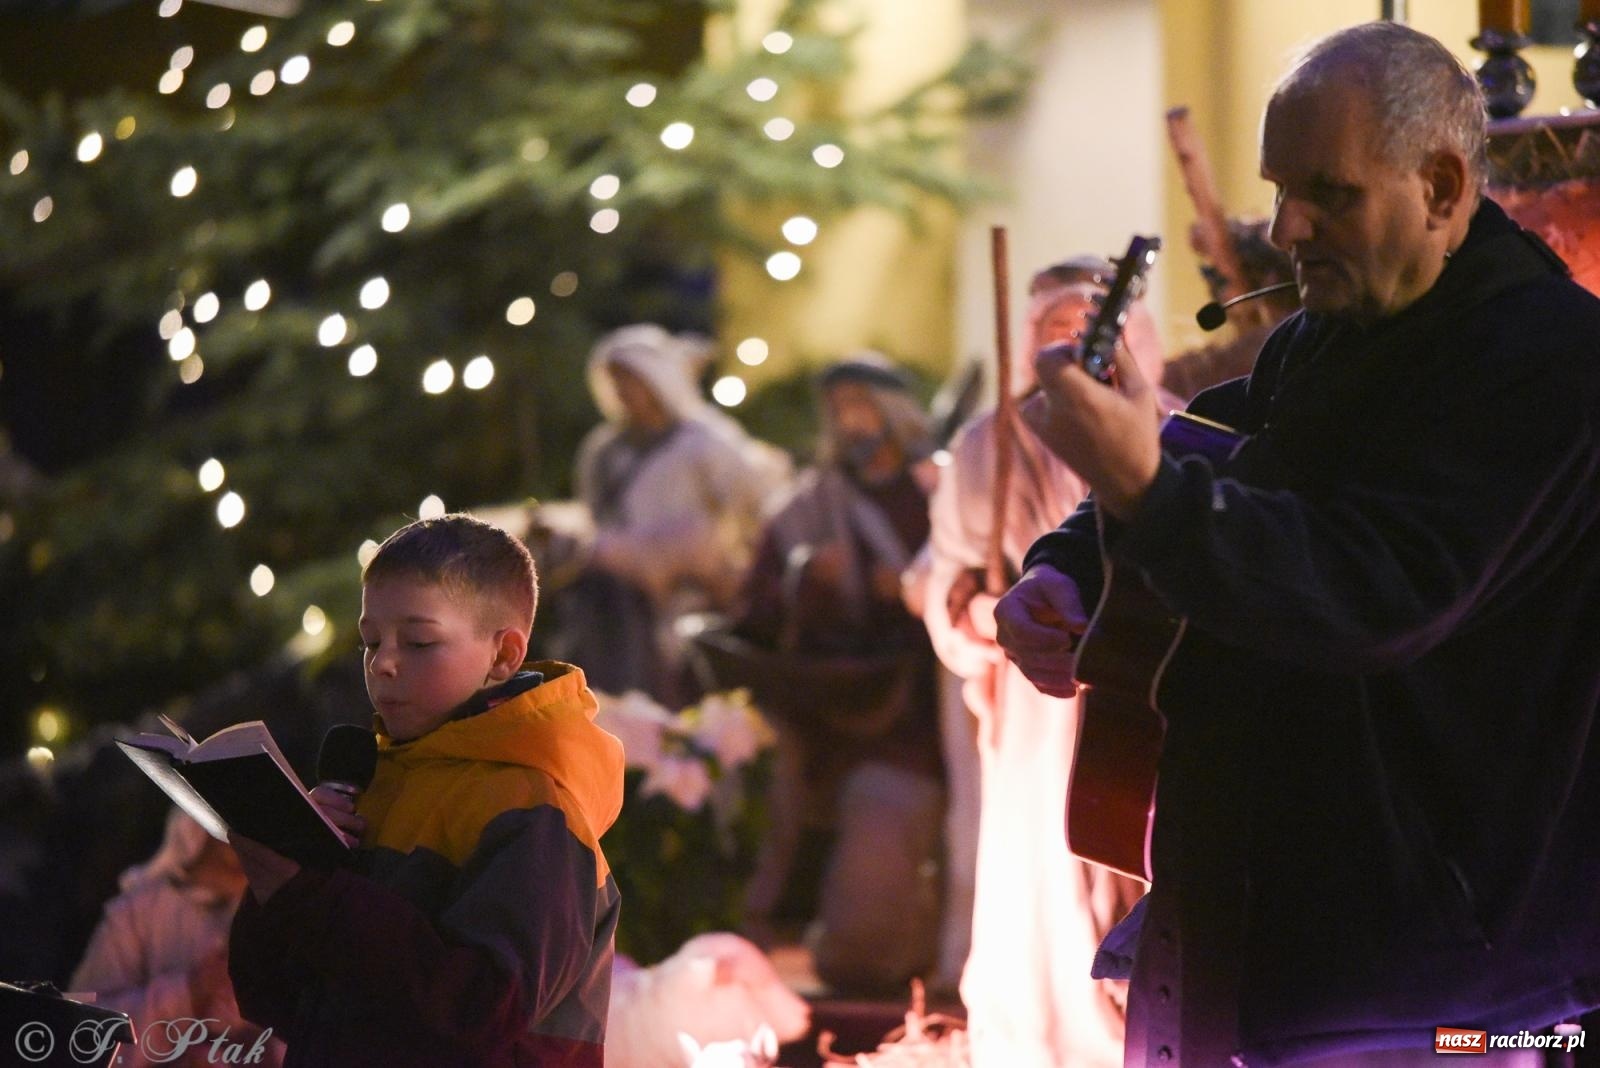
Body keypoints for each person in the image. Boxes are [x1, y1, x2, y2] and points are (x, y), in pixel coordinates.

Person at [996, 21, 1600, 1066]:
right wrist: (1068, 568)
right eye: (1279, 188)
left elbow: (1377, 592)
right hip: (1273, 931)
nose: (1286, 227)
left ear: (1445, 186)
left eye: (1328, 193)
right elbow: (1210, 459)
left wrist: (1139, 487)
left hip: (1445, 982)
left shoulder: (1549, 364)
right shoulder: (1330, 338)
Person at [228, 514, 625, 1067]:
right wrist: (279, 878)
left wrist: (313, 898)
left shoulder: (534, 808)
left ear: (504, 656)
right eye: (371, 642)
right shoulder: (377, 779)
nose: (383, 663)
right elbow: (279, 1002)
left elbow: (476, 1011)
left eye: (418, 642)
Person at [923, 263, 1163, 1066]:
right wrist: (969, 612)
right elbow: (945, 568)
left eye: (1083, 329)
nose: (1069, 346)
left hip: (1132, 687)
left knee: (1121, 861)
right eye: (1051, 332)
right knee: (1038, 871)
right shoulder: (989, 444)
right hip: (1030, 709)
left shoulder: (1166, 427)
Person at [719, 354, 945, 994]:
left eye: (863, 405)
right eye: (840, 408)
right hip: (806, 714)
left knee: (863, 954)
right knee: (749, 789)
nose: (851, 422)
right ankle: (739, 950)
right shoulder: (802, 509)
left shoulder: (937, 497)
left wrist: (906, 590)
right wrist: (801, 579)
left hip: (900, 725)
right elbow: (752, 616)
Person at [550, 324, 789, 705]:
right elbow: (598, 518)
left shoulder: (705, 440)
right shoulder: (604, 452)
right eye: (616, 381)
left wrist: (736, 571)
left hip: (695, 593)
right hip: (624, 599)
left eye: (631, 380)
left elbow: (754, 504)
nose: (623, 391)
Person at [69, 808, 284, 1068]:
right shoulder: (138, 913)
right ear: (197, 833)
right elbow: (83, 1034)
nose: (243, 852)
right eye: (229, 842)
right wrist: (188, 994)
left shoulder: (280, 917)